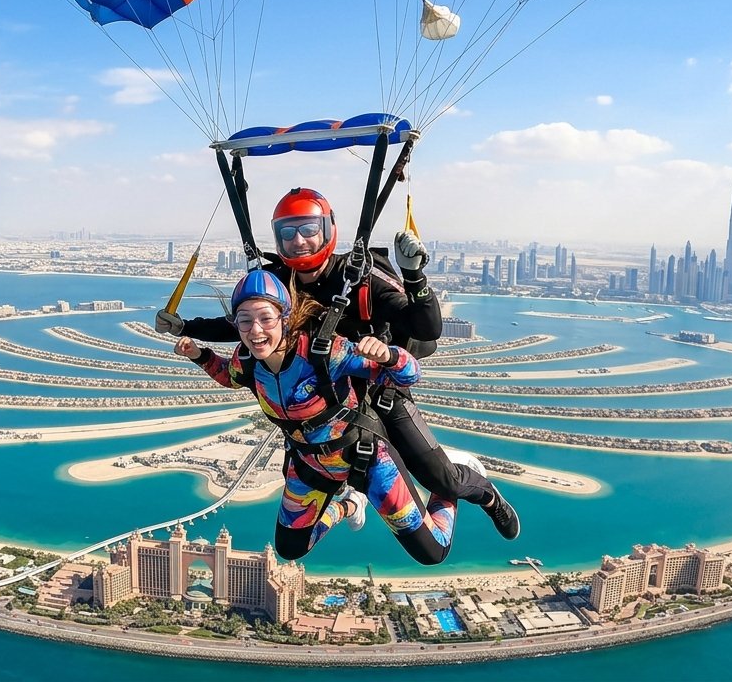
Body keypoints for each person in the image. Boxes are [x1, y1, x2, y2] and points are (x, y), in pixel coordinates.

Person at [157, 188, 519, 540]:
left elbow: (426, 328)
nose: (299, 241)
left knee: (440, 479)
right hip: (324, 403)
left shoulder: (360, 279)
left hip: (377, 391)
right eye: (288, 232)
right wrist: (187, 327)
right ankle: (351, 502)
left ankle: (486, 493)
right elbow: (246, 325)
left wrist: (415, 277)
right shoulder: (280, 281)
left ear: (327, 230)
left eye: (308, 229)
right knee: (308, 476)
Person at [175, 270, 459, 564]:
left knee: (432, 550)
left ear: (285, 318)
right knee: (290, 548)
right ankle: (348, 506)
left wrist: (388, 355)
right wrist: (200, 355)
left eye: (266, 318)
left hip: (365, 457)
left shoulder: (324, 351)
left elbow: (408, 376)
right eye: (245, 320)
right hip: (310, 465)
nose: (255, 330)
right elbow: (230, 377)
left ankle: (450, 491)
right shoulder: (246, 361)